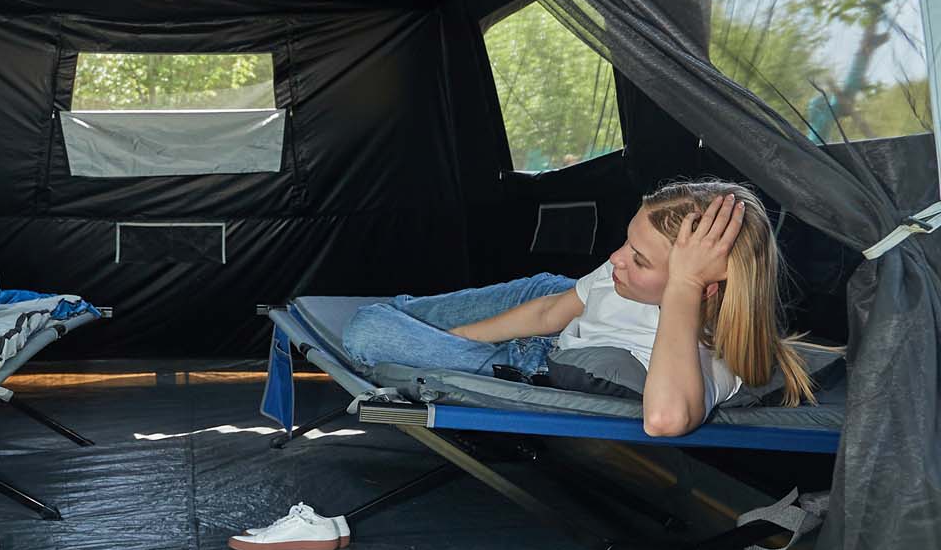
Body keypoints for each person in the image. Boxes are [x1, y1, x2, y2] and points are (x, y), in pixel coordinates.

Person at [341, 179, 813, 437]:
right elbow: (549, 311)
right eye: (627, 243)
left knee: (366, 331)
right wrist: (457, 339)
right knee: (412, 317)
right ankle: (411, 314)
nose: (615, 258)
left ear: (702, 287)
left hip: (534, 361)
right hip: (549, 301)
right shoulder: (616, 274)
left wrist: (684, 286)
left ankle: (403, 317)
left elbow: (665, 420)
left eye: (638, 258)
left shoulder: (712, 357)